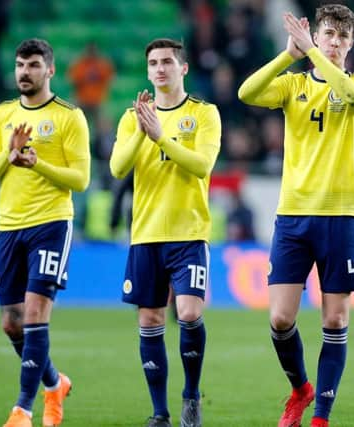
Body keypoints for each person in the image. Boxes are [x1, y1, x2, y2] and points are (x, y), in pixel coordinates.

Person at [238, 5, 354, 427]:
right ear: (316, 35)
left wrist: (312, 55)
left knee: (334, 318)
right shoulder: (294, 84)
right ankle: (301, 389)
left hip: (340, 217)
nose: (334, 43)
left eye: (341, 37)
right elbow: (246, 93)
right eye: (328, 34)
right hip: (294, 216)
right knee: (280, 318)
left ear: (351, 43)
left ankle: (321, 417)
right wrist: (288, 55)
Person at [109, 38, 221, 427]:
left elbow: (202, 165)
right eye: (154, 62)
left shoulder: (204, 113)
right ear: (148, 71)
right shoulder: (131, 118)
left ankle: (191, 395)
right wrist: (143, 131)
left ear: (183, 68)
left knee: (189, 313)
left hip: (189, 232)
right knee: (150, 321)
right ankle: (160, 413)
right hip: (146, 234)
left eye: (168, 62)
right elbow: (118, 168)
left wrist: (161, 136)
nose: (160, 68)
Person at [0, 38, 90, 427]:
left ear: (50, 70)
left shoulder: (69, 116)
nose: (24, 73)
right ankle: (55, 382)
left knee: (34, 313)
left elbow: (80, 179)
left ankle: (23, 410)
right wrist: (9, 156)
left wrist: (38, 164)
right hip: (10, 226)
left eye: (33, 65)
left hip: (51, 224)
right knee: (11, 323)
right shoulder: (1, 114)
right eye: (19, 65)